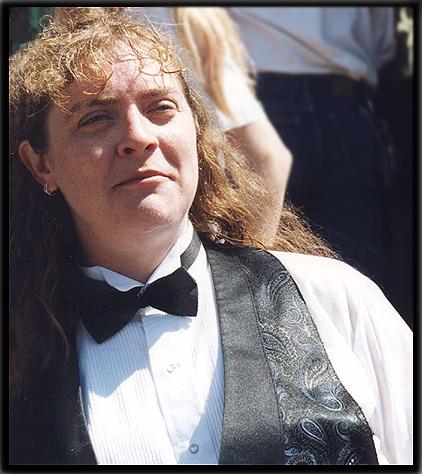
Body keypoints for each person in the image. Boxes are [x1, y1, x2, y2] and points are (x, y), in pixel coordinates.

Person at [9, 7, 411, 465]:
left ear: (197, 134)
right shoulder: (21, 353)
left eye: (160, 107)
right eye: (95, 119)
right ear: (40, 163)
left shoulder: (334, 300)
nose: (138, 138)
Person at [228, 7, 398, 299]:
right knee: (355, 295)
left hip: (249, 102)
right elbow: (383, 38)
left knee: (255, 292)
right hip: (342, 102)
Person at [125, 6, 292, 241]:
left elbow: (268, 157)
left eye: (161, 107)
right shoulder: (68, 30)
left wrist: (253, 267)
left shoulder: (168, 20)